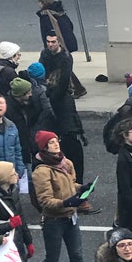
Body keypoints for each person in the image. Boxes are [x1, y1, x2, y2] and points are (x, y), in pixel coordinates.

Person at [32, 130, 89, 262]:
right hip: (54, 221)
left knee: (77, 257)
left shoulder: (66, 162)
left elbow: (70, 184)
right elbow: (45, 201)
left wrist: (81, 188)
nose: (56, 144)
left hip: (71, 217)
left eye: (56, 141)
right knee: (52, 260)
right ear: (44, 147)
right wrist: (66, 202)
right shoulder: (41, 171)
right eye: (51, 143)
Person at [40, 33, 85, 181]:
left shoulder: (65, 57)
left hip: (58, 93)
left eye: (53, 42)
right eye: (48, 42)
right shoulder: (45, 54)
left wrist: (52, 96)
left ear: (59, 42)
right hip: (51, 89)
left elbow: (64, 80)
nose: (50, 44)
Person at [35, 0, 86, 97]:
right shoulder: (60, 11)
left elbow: (47, 32)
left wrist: (49, 44)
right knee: (64, 63)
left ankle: (77, 88)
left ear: (43, 2)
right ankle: (78, 88)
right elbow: (70, 24)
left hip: (58, 43)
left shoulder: (46, 14)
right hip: (67, 40)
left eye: (39, 2)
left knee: (61, 65)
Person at [0, 93, 25, 177]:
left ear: (6, 106)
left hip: (11, 177)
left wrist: (19, 171)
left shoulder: (12, 126)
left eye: (1, 103)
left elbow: (17, 151)